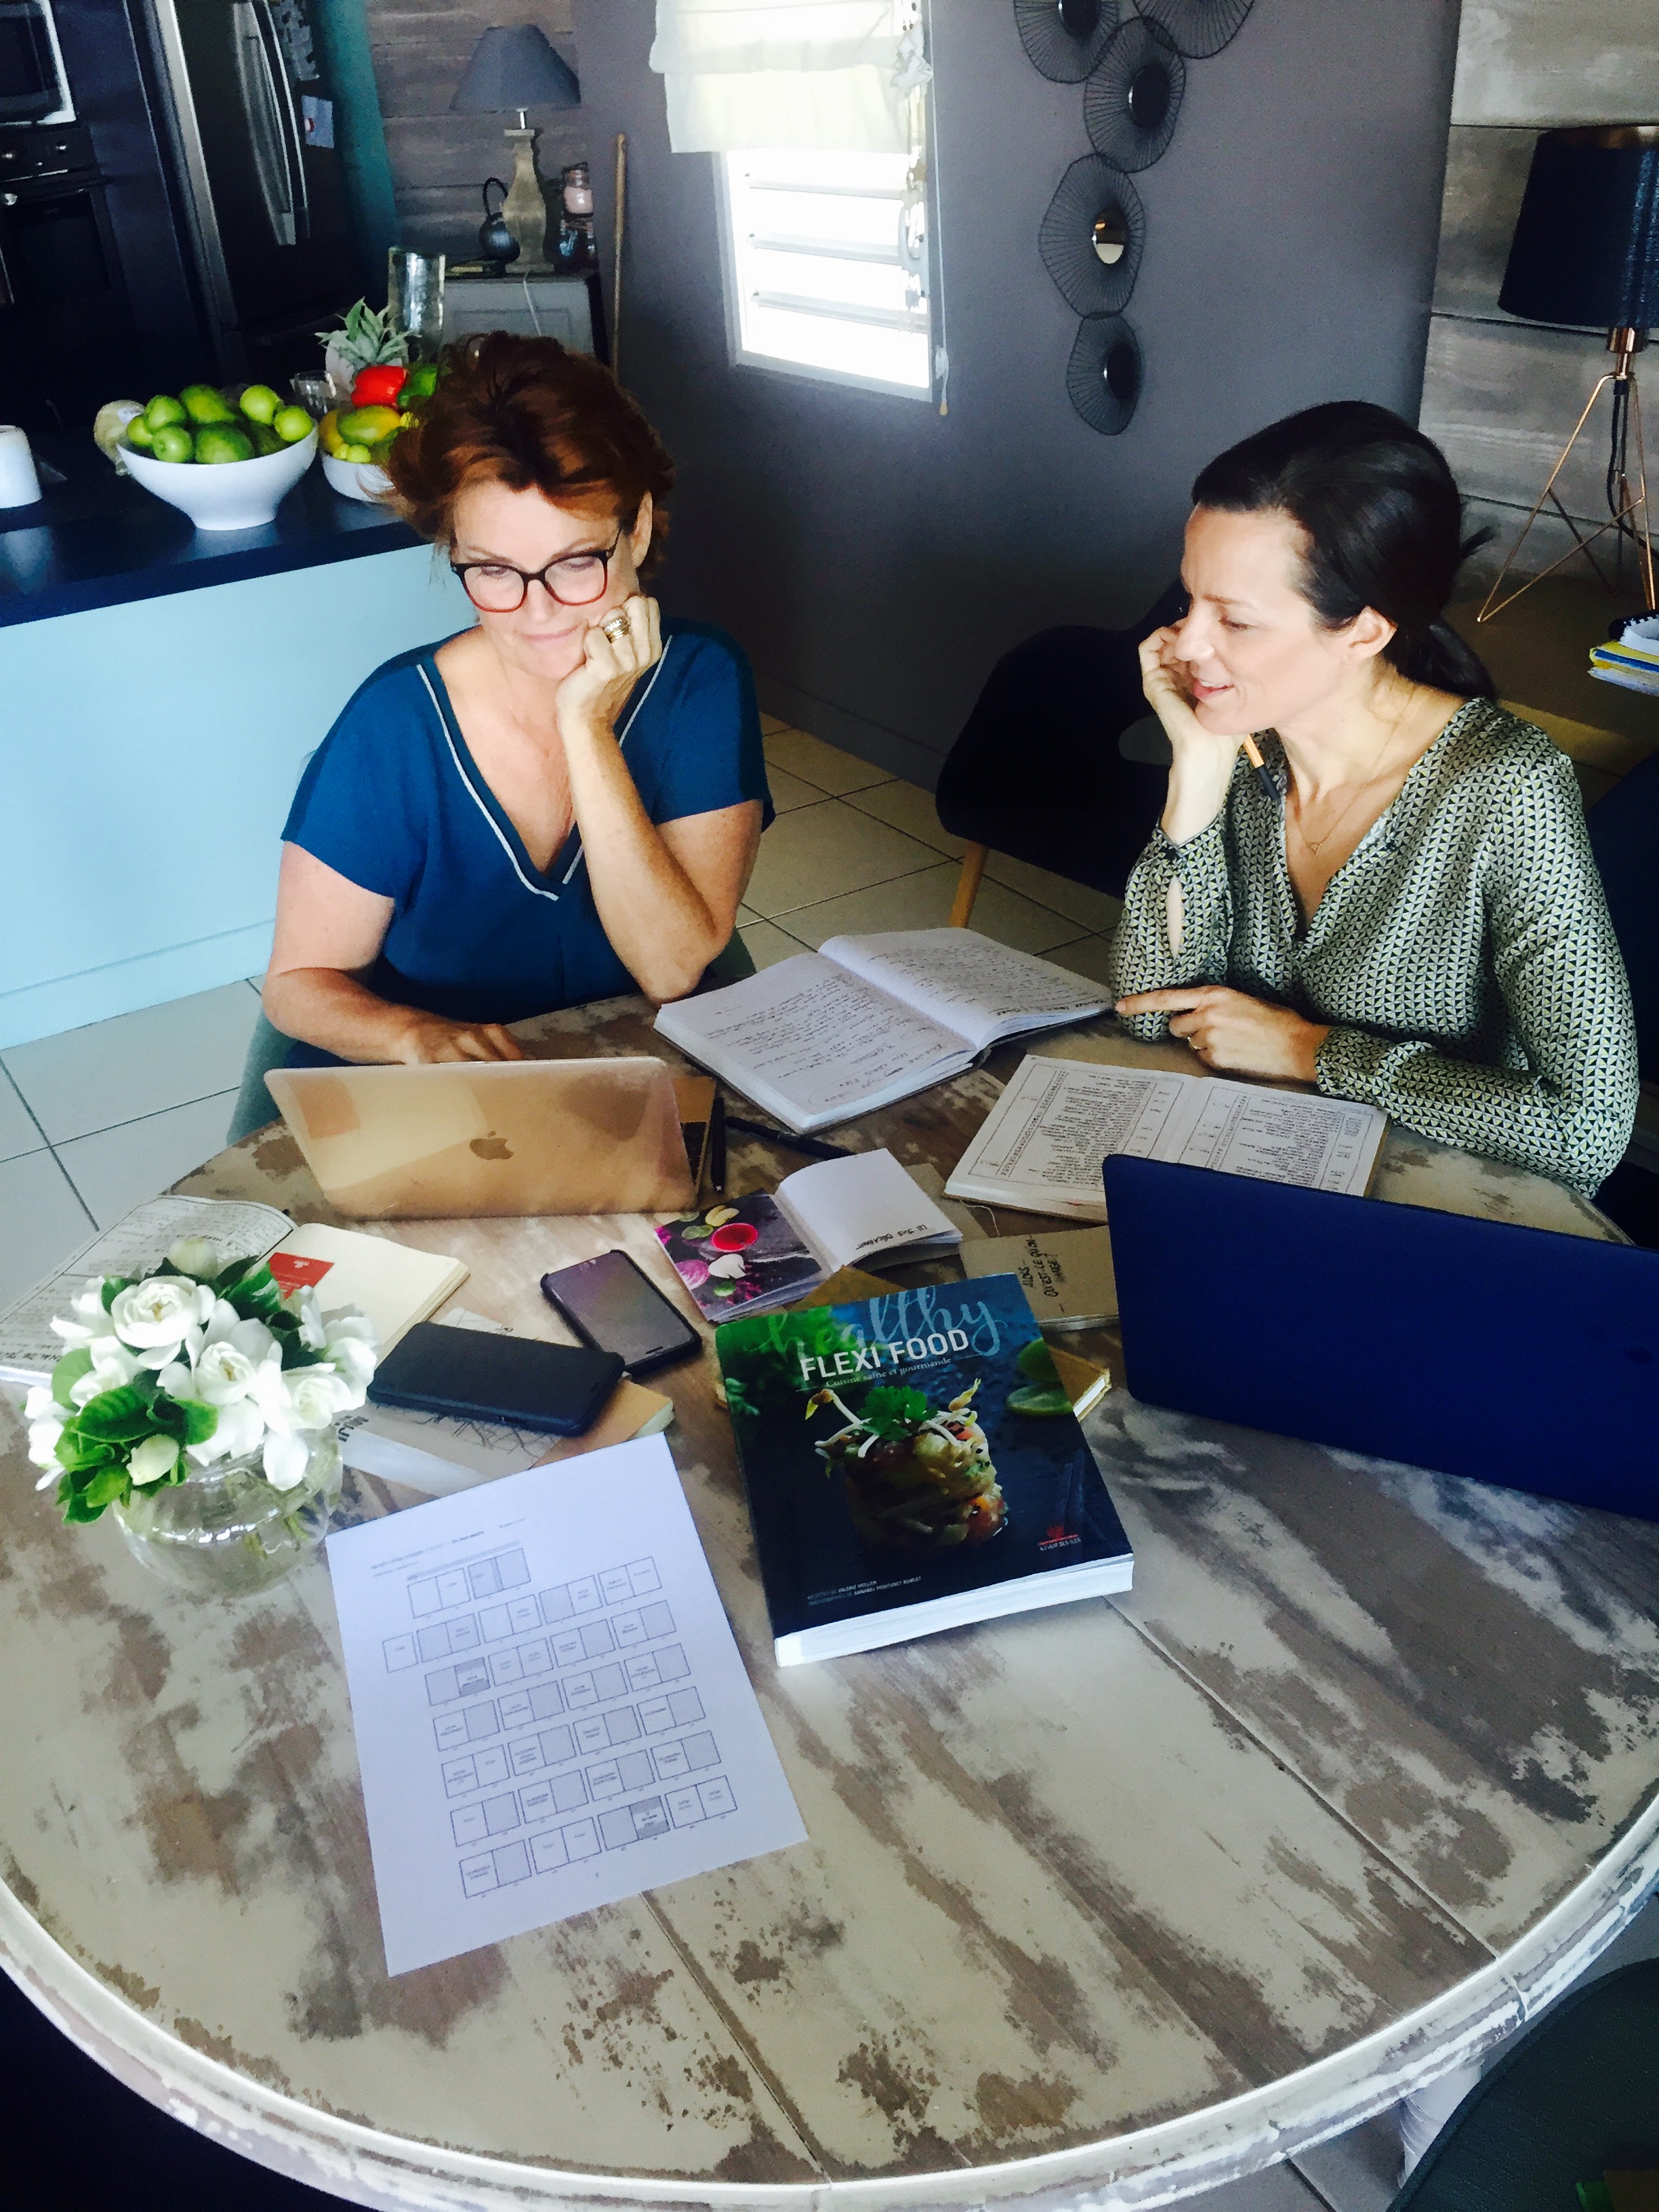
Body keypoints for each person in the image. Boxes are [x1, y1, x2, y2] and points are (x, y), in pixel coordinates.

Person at [1109, 401, 1637, 1195]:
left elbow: (1585, 1129)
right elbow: (1149, 1013)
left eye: (1236, 621)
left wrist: (1309, 1051)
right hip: (1263, 1173)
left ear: (1363, 630)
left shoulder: (1506, 788)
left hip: (1437, 1207)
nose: (1185, 643)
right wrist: (1196, 769)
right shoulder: (1249, 743)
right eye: (1189, 600)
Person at [259, 333, 771, 1078]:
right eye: (495, 571)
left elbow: (668, 968)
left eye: (575, 562)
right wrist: (411, 1036)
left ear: (637, 529)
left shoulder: (700, 679)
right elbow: (298, 984)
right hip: (448, 1092)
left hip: (639, 1076)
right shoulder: (393, 726)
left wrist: (585, 727)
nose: (539, 611)